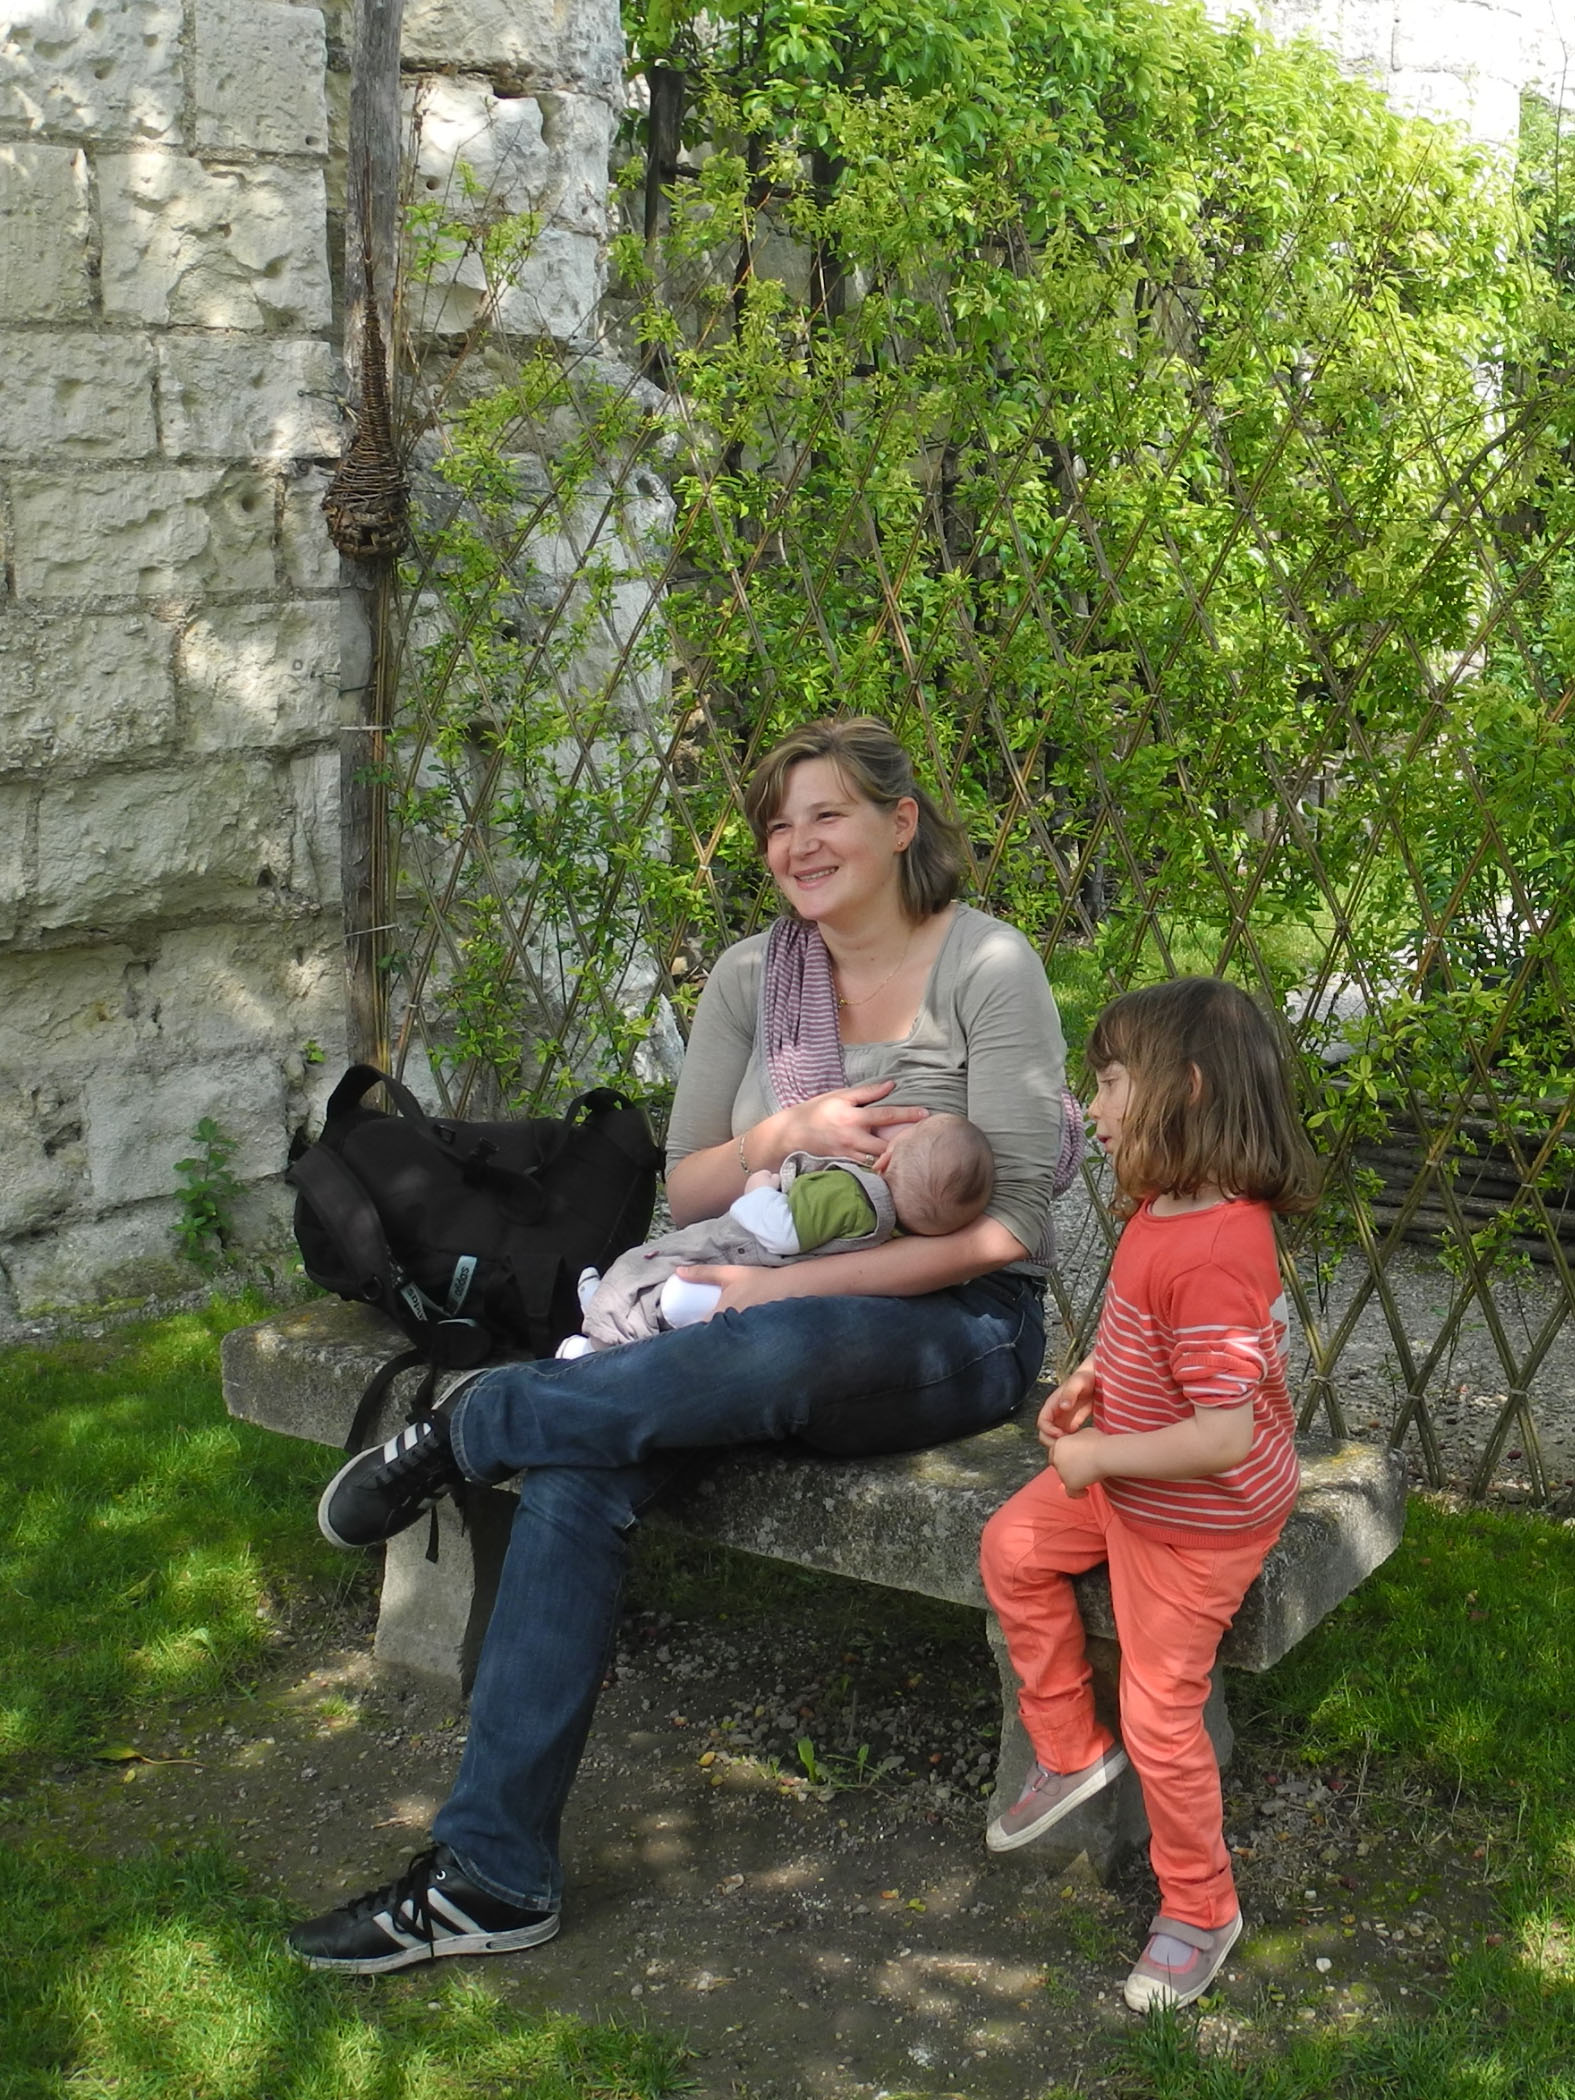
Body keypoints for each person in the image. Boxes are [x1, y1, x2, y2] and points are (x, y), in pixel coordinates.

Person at [289, 714, 1074, 1973]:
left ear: (899, 823)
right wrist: (784, 1137)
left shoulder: (987, 965)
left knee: (766, 1349)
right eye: (777, 824)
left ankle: (475, 1422)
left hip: (952, 1324)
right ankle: (492, 1875)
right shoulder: (752, 980)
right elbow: (695, 1188)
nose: (798, 844)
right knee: (582, 1466)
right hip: (744, 1290)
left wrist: (767, 1299)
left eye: (827, 814)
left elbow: (1012, 1227)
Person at [979, 977, 1318, 2012]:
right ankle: (1069, 1752)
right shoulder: (1160, 1207)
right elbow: (1145, 1337)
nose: (1094, 1106)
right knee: (1012, 1549)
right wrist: (1091, 1379)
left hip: (1199, 1521)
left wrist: (1096, 1460)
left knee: (1161, 1716)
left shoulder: (1218, 1252)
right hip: (1129, 1474)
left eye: (1113, 1081)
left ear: (1188, 1088)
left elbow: (1221, 1437)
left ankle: (1201, 1908)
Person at [557, 1112, 995, 1352]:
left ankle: (597, 1336)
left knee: (653, 1264)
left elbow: (780, 1230)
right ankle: (603, 1319)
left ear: (884, 1160)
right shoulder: (891, 1235)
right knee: (656, 1286)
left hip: (741, 1258)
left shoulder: (847, 1192)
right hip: (760, 1284)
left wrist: (759, 1188)